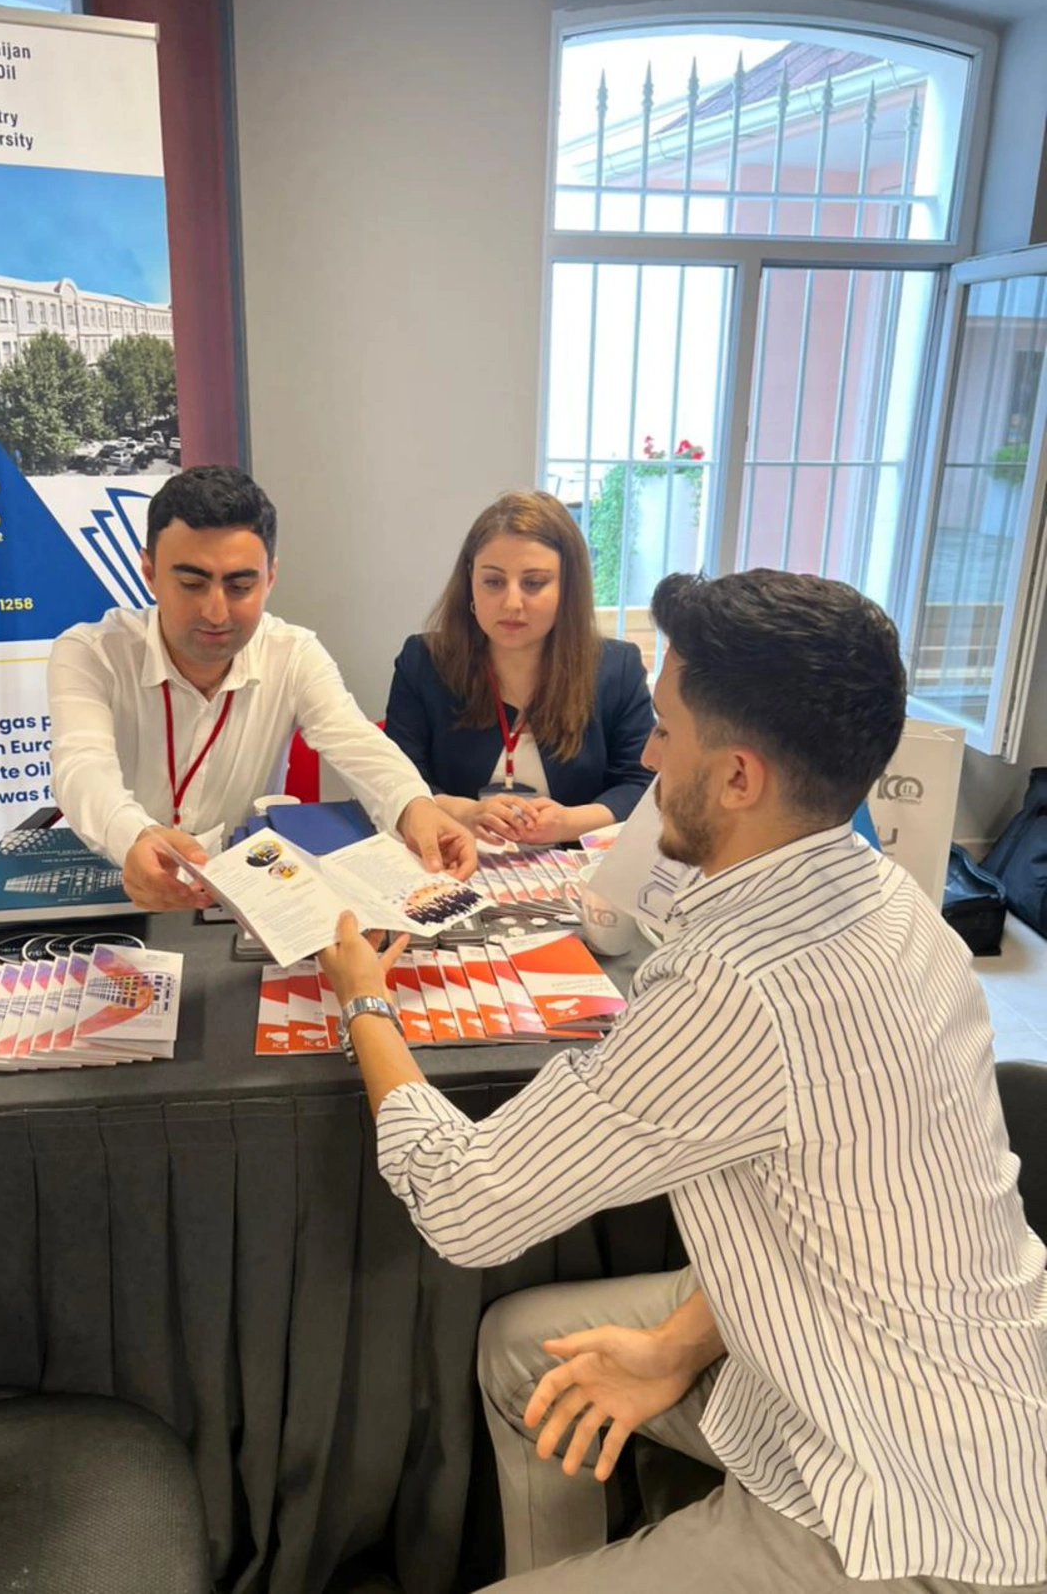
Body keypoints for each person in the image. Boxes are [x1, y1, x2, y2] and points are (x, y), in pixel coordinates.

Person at [319, 568, 1047, 1594]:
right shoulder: (899, 906)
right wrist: (674, 1342)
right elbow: (837, 1221)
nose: (650, 758)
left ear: (740, 776)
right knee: (525, 1349)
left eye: (665, 731)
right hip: (910, 1373)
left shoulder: (737, 983)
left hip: (905, 1508)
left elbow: (464, 1204)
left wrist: (364, 1000)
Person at [48, 465, 474, 911]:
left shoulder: (292, 653)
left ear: (270, 577)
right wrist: (134, 835)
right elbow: (82, 766)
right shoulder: (91, 653)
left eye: (240, 586)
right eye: (191, 584)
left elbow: (356, 741)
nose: (216, 613)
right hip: (122, 884)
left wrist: (414, 806)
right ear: (149, 572)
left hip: (244, 899)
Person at [383, 491, 654, 848]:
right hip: (453, 860)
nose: (512, 603)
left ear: (567, 588)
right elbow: (396, 778)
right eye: (494, 582)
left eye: (534, 583)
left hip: (572, 868)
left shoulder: (618, 669)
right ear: (471, 583)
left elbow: (642, 785)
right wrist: (464, 812)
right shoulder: (423, 661)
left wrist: (569, 823)